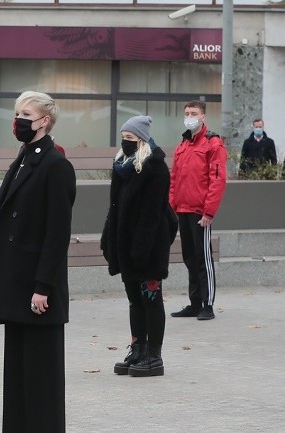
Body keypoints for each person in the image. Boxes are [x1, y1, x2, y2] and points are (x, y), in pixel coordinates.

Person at [0, 91, 76, 432]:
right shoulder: (23, 158)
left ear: (45, 121)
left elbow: (56, 234)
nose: (18, 120)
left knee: (41, 379)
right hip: (14, 286)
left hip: (36, 290)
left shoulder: (56, 165)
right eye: (17, 112)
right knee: (19, 376)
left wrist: (43, 287)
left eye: (26, 113)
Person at [101, 116, 172, 378]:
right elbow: (114, 207)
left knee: (151, 298)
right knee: (134, 300)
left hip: (149, 245)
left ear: (141, 139)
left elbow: (153, 213)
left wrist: (141, 248)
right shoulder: (121, 165)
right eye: (123, 137)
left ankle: (154, 356)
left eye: (130, 138)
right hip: (125, 242)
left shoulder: (155, 168)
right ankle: (138, 349)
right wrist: (108, 237)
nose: (125, 142)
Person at [169, 101, 227, 321]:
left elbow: (218, 180)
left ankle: (207, 304)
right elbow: (174, 178)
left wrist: (209, 212)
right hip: (183, 210)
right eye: (186, 113)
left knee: (203, 259)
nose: (189, 116)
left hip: (200, 213)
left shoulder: (213, 144)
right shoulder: (183, 144)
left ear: (203, 116)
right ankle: (194, 303)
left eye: (194, 113)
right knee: (189, 258)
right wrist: (172, 204)